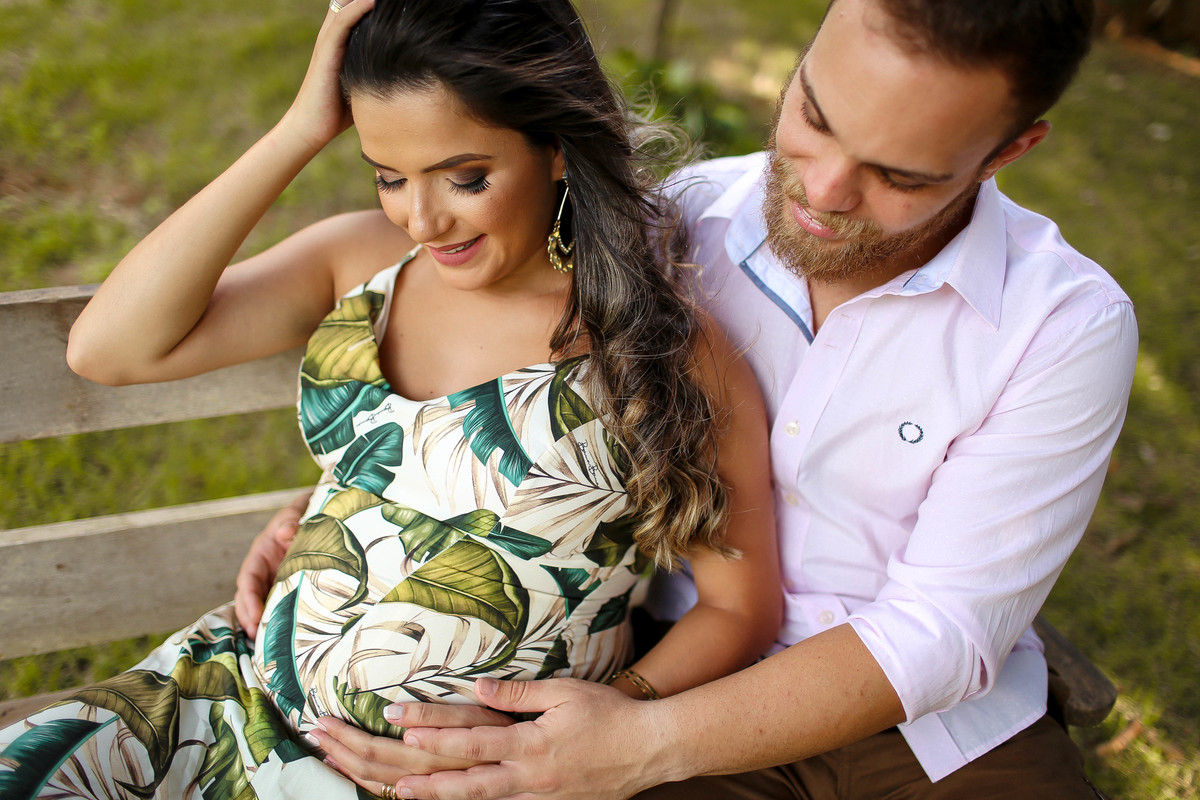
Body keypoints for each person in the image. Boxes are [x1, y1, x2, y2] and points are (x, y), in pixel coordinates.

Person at [233, 0, 1139, 797]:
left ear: (1008, 152)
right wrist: (347, 506)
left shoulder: (1063, 324)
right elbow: (495, 376)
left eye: (901, 174)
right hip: (677, 681)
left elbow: (939, 633)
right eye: (814, 116)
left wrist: (634, 740)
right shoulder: (673, 223)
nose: (821, 192)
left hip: (934, 741)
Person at [0, 0, 783, 797]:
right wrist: (297, 132)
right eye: (389, 176)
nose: (423, 218)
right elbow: (110, 349)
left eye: (465, 177)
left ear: (556, 146)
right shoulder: (367, 262)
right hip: (224, 705)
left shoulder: (660, 351)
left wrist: (600, 722)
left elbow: (737, 608)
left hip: (450, 781)